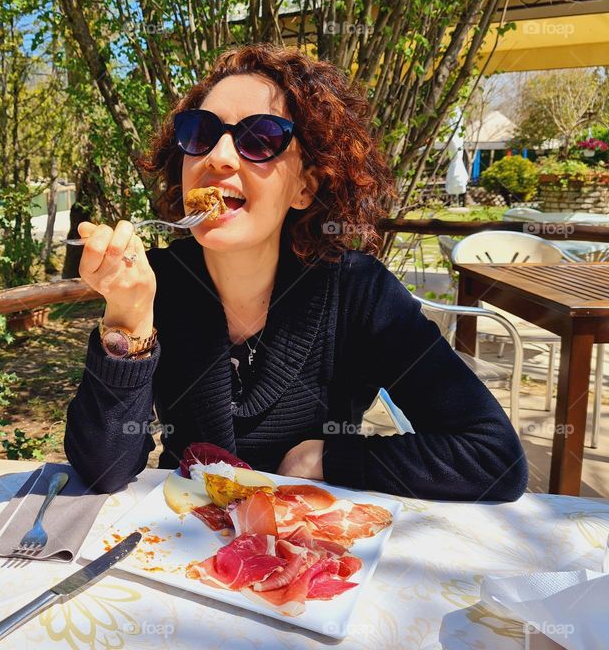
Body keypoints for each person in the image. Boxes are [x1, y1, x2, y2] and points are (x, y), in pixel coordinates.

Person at [63, 44, 527, 502]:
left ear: (305, 185)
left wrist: (328, 459)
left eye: (259, 138)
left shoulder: (357, 292)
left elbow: (492, 457)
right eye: (200, 132)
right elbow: (104, 471)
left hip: (308, 553)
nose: (218, 157)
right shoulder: (155, 282)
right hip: (177, 541)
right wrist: (128, 320)